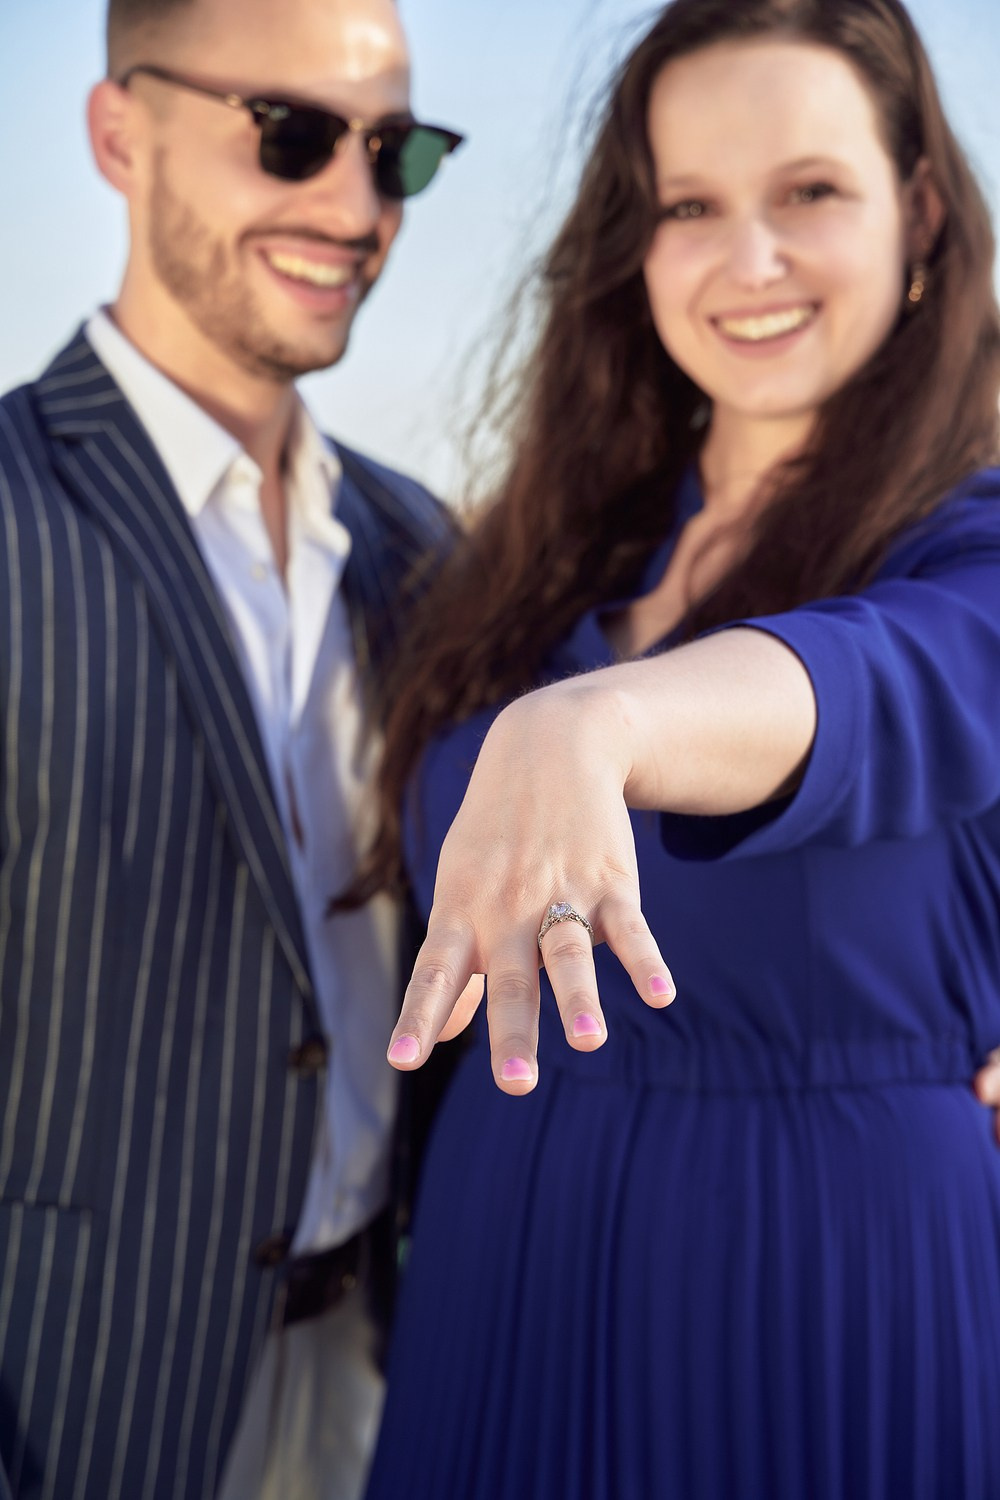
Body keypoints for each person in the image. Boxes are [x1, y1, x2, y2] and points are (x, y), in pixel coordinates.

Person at [359, 0, 1000, 1495]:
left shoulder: (969, 546)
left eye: (809, 191)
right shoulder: (545, 559)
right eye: (689, 207)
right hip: (499, 1276)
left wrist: (604, 721)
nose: (746, 259)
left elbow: (874, 681)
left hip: (823, 1288)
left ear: (918, 211)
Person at [0, 0, 462, 1496]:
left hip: (379, 1374)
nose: (355, 207)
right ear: (117, 133)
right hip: (65, 1398)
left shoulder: (422, 547)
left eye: (395, 152)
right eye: (292, 134)